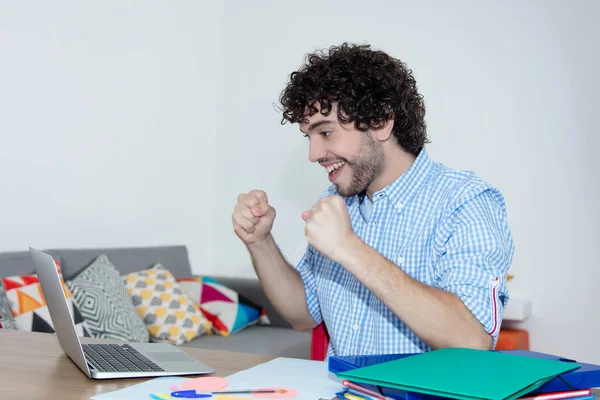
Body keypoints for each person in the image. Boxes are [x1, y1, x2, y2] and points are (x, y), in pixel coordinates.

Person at [231, 43, 514, 357]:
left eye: (325, 133)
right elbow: (302, 315)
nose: (313, 155)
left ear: (380, 121)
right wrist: (260, 241)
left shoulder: (465, 201)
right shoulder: (338, 200)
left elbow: (471, 340)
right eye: (308, 137)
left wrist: (349, 248)